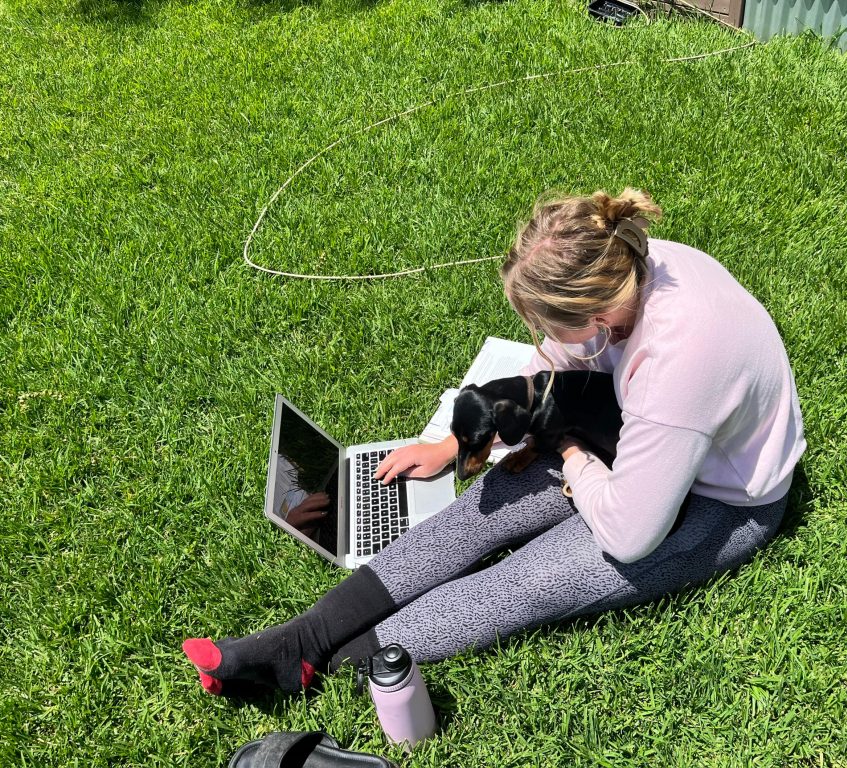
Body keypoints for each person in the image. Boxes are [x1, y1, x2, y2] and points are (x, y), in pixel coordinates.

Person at [182, 188, 806, 695]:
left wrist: (568, 453)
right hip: (630, 429)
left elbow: (631, 532)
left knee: (529, 581)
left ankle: (336, 661)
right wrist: (458, 443)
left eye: (542, 321)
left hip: (725, 504)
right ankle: (299, 641)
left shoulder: (680, 358)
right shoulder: (625, 263)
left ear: (592, 313)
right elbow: (562, 358)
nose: (538, 335)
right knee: (483, 511)